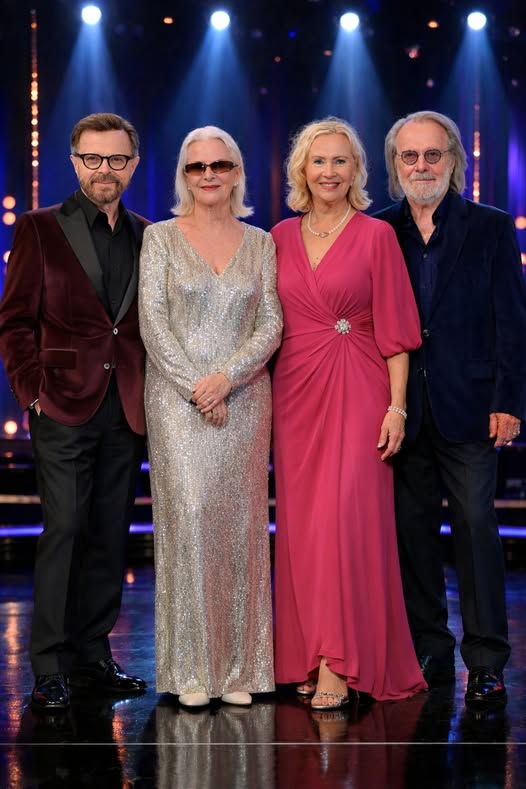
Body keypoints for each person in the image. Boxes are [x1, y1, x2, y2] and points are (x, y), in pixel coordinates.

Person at [271, 117, 427, 710]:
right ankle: (308, 654)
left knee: (347, 522)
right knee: (305, 530)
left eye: (341, 161)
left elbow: (397, 333)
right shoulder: (278, 237)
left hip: (360, 388)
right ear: (301, 169)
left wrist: (396, 407)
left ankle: (339, 661)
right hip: (294, 394)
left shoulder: (376, 236)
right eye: (319, 161)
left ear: (357, 170)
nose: (329, 172)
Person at [375, 110, 526, 705]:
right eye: (409, 156)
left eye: (432, 154)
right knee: (411, 534)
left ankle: (486, 661)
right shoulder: (378, 229)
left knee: (475, 529)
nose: (421, 166)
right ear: (395, 165)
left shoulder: (490, 227)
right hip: (402, 411)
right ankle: (429, 650)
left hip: (471, 407)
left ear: (453, 160)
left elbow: (512, 321)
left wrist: (508, 401)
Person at [0, 112, 149, 712]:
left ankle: (93, 657)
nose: (103, 169)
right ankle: (49, 666)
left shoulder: (149, 234)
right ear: (74, 162)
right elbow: (14, 321)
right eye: (92, 158)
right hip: (61, 402)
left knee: (110, 532)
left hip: (127, 407)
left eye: (116, 159)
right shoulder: (40, 228)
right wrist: (33, 393)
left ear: (132, 165)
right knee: (65, 529)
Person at [139, 125, 282, 708]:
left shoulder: (261, 242)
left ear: (237, 172)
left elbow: (271, 323)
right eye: (197, 167)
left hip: (245, 399)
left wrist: (228, 378)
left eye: (220, 165)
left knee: (242, 526)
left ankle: (241, 670)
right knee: (191, 518)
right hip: (176, 402)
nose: (209, 175)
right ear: (183, 175)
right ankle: (192, 670)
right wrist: (198, 388)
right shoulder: (160, 239)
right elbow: (152, 322)